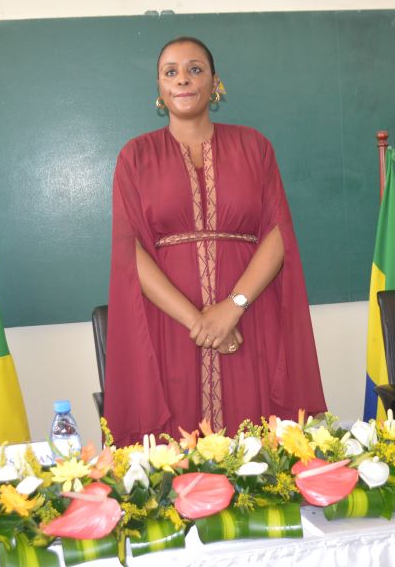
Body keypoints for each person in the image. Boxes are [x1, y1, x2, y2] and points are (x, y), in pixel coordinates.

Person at [103, 37, 326, 445]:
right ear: (159, 88)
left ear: (215, 82)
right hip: (171, 327)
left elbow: (278, 233)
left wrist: (232, 308)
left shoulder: (254, 146)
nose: (183, 79)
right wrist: (201, 322)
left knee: (260, 450)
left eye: (195, 69)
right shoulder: (135, 156)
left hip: (250, 319)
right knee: (174, 456)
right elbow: (129, 251)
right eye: (171, 72)